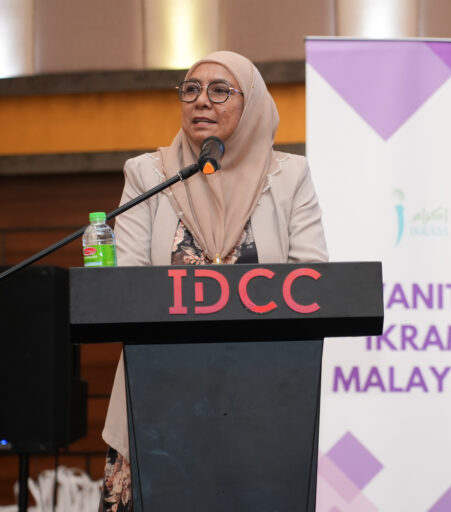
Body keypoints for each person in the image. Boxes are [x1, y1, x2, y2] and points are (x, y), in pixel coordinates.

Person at [98, 50, 328, 512]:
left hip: (261, 401)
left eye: (220, 90)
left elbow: (311, 277)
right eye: (191, 89)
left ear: (252, 103)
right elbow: (126, 283)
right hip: (158, 399)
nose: (201, 100)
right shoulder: (147, 174)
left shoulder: (290, 177)